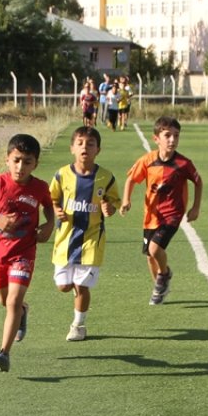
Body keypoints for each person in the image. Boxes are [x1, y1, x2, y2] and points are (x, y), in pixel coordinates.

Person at [0, 134, 55, 372]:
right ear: (7, 159)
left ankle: (3, 353)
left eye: (27, 162)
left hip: (24, 253)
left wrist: (49, 225)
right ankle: (23, 312)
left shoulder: (40, 187)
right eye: (16, 160)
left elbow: (49, 207)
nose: (21, 167)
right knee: (4, 300)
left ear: (35, 164)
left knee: (13, 301)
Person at [121, 115, 203, 305]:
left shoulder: (184, 164)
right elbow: (132, 179)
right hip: (151, 215)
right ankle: (160, 285)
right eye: (168, 135)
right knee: (150, 256)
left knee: (154, 248)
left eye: (176, 135)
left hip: (172, 215)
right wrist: (126, 200)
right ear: (156, 139)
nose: (172, 140)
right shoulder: (147, 160)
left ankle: (164, 275)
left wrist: (195, 208)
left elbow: (198, 182)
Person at [50, 126, 120, 341]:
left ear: (98, 149)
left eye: (90, 144)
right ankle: (75, 291)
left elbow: (113, 201)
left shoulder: (106, 178)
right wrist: (56, 209)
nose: (85, 148)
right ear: (72, 148)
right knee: (63, 286)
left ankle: (78, 325)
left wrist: (110, 208)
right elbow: (51, 198)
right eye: (80, 143)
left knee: (82, 286)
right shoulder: (62, 175)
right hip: (65, 240)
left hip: (92, 241)